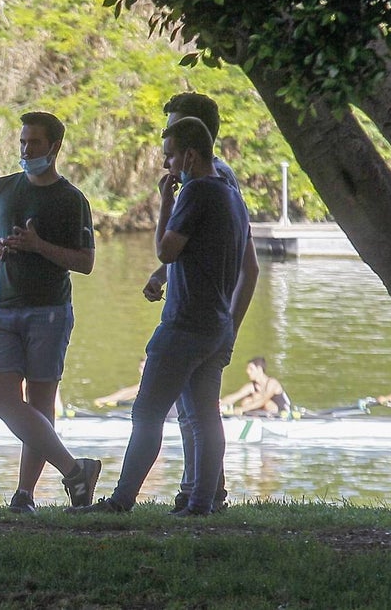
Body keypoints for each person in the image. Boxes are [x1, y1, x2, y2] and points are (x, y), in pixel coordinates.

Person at [81, 116, 257, 517]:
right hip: (216, 324)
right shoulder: (231, 196)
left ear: (190, 156)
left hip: (184, 325)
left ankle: (121, 501)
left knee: (147, 413)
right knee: (204, 418)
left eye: (170, 157)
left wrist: (165, 202)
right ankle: (200, 504)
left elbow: (166, 250)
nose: (166, 166)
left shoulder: (195, 193)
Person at [0, 111, 102, 514]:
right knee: (1, 398)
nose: (26, 150)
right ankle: (74, 469)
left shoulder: (71, 199)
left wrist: (38, 245)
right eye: (23, 141)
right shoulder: (2, 189)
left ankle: (24, 494)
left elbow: (85, 262)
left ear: (54, 147)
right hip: (2, 309)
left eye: (34, 143)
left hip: (49, 311)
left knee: (41, 401)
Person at [142, 92, 247, 514]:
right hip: (206, 319)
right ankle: (196, 495)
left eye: (170, 143)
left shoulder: (210, 185)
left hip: (199, 321)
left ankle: (203, 495)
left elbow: (245, 263)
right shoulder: (207, 185)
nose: (164, 156)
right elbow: (192, 248)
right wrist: (162, 274)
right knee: (196, 412)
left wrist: (229, 327)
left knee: (187, 414)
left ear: (192, 143)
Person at [220, 357, 291, 416]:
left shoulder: (272, 382)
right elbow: (236, 396)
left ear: (259, 369)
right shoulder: (251, 386)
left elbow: (263, 401)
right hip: (266, 414)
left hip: (282, 414)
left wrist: (242, 409)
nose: (247, 371)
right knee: (246, 401)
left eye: (251, 369)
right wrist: (219, 403)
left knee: (257, 397)